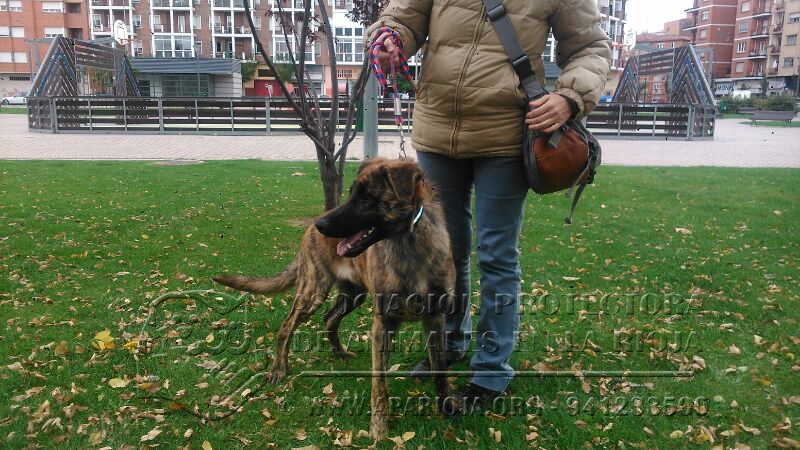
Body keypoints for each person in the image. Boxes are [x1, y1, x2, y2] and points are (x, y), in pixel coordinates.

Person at [367, 0, 611, 409]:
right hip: (437, 130)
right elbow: (402, 16)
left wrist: (570, 97)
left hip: (507, 137)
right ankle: (449, 343)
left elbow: (590, 47)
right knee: (443, 253)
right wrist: (391, 38)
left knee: (496, 254)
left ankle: (491, 369)